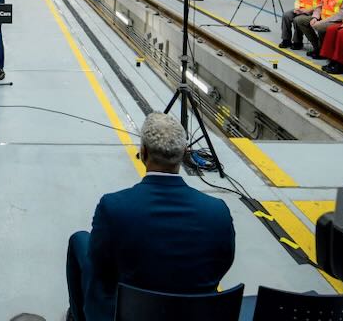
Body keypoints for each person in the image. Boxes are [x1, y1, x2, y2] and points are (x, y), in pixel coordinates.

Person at [65, 113, 234, 321]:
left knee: (79, 240)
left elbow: (99, 265)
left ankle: (78, 316)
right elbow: (222, 264)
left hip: (133, 314)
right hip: (196, 314)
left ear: (143, 152)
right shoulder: (218, 211)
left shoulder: (113, 207)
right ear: (183, 153)